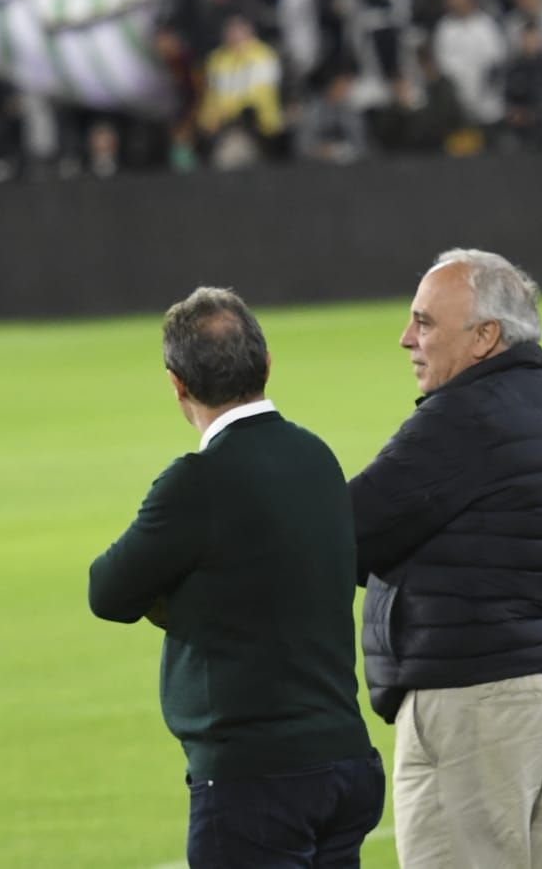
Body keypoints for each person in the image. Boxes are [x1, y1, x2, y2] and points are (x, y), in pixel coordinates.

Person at [90, 287, 383, 868]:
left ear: (177, 382)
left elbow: (108, 591)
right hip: (345, 763)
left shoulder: (198, 481)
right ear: (267, 363)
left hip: (255, 782)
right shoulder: (318, 458)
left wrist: (178, 598)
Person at [350, 250, 542, 869]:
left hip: (475, 702)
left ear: (486, 337)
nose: (407, 338)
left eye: (426, 323)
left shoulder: (462, 419)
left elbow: (345, 529)